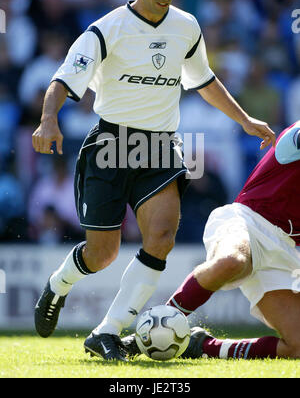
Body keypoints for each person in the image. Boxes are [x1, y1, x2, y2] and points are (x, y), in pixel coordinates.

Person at [32, 0, 275, 362]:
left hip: (160, 145)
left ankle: (106, 331)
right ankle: (58, 284)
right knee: (102, 253)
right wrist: (48, 119)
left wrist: (244, 119)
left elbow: (204, 81)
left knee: (161, 239)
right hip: (110, 143)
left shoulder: (186, 27)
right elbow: (62, 80)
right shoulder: (105, 29)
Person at [123, 121, 300, 360]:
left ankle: (202, 346)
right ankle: (155, 326)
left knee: (297, 345)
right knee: (231, 261)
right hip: (251, 221)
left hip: (289, 252)